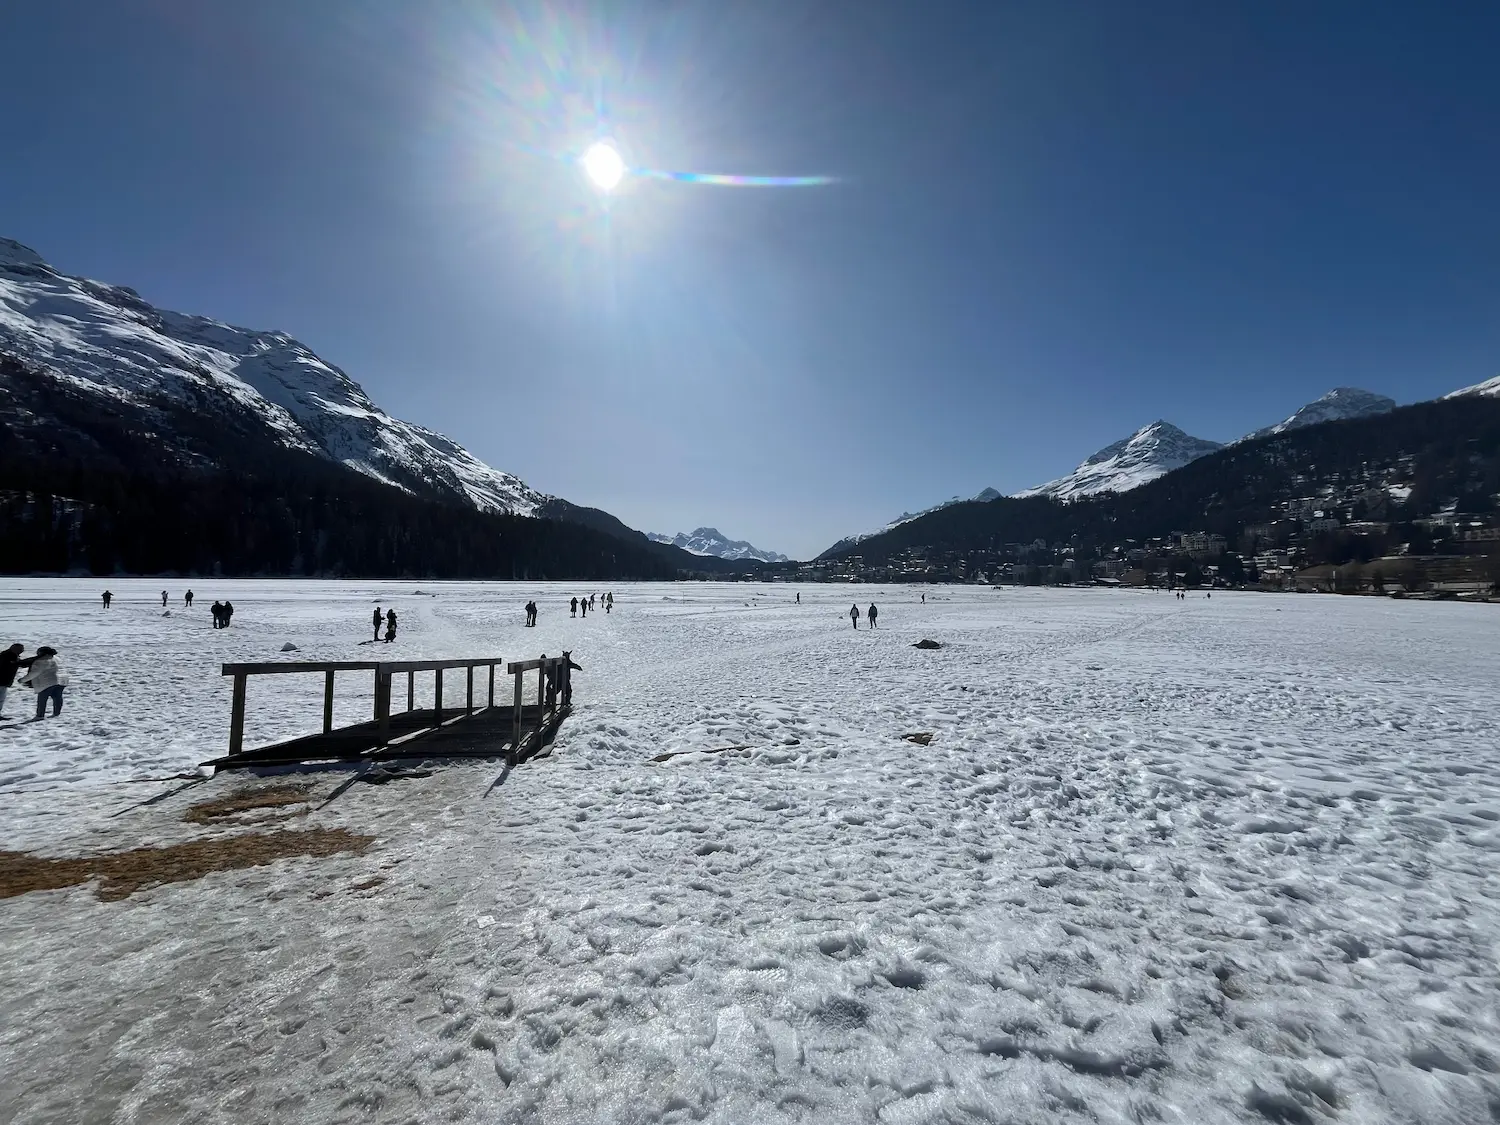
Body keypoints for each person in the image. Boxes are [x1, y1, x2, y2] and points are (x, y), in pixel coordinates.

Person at [19, 646, 66, 720]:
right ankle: (56, 713)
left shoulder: (40, 661)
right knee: (57, 697)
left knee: (42, 699)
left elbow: (34, 673)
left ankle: (40, 715)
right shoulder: (57, 659)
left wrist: (22, 680)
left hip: (47, 682)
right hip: (61, 680)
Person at [0, 643, 34, 720]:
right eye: (20, 649)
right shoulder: (6, 656)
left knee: (1, 699)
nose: (22, 651)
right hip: (2, 681)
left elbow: (21, 664)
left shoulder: (12, 656)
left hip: (4, 682)